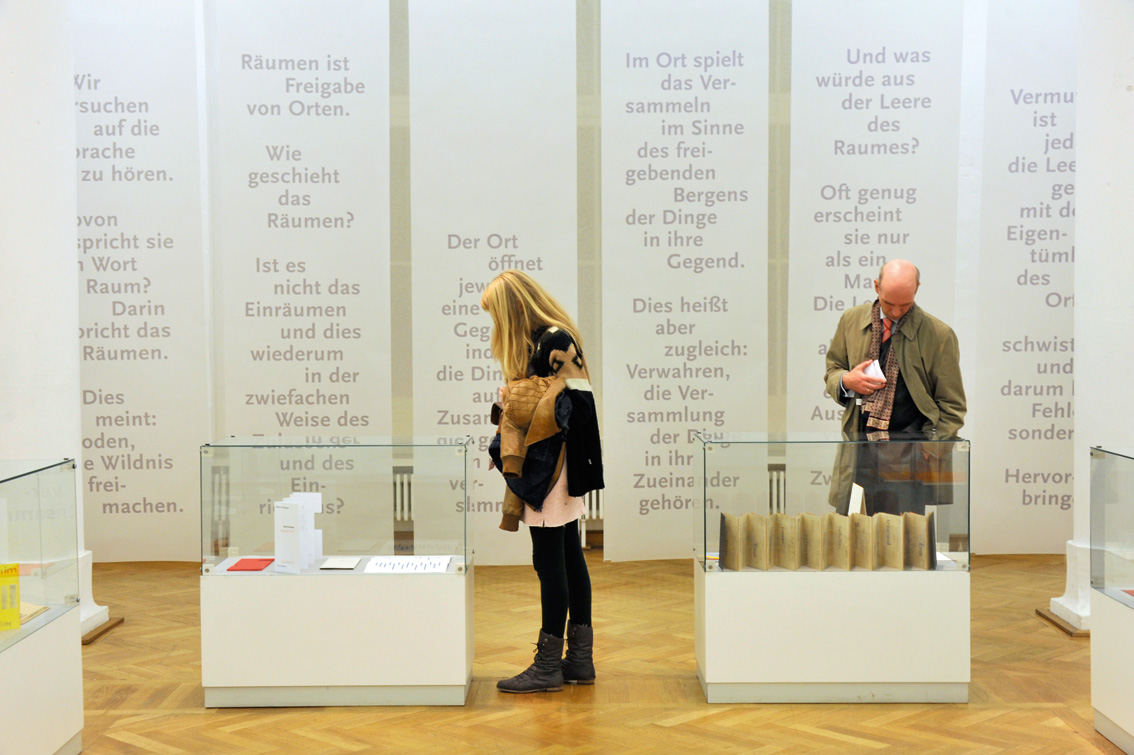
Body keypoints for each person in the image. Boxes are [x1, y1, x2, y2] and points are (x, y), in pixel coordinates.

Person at [480, 270, 604, 694]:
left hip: (551, 466)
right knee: (569, 557)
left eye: (497, 314)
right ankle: (579, 660)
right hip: (561, 464)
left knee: (550, 562)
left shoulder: (550, 339)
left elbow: (563, 407)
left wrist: (514, 400)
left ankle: (548, 665)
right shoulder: (554, 336)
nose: (497, 326)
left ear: (514, 308)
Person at [823, 259, 966, 515]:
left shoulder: (939, 334)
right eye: (890, 304)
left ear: (917, 289)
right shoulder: (851, 320)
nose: (897, 312)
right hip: (859, 450)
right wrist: (847, 381)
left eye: (905, 304)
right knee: (854, 537)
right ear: (876, 287)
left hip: (909, 457)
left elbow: (952, 406)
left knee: (901, 544)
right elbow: (833, 368)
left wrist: (932, 451)